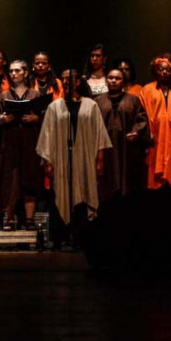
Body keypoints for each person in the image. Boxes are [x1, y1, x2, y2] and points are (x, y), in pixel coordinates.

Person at [37, 68, 112, 241]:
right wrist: (47, 161)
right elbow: (47, 134)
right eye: (62, 79)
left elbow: (99, 132)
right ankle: (60, 237)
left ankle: (82, 237)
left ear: (78, 82)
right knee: (61, 195)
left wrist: (100, 159)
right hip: (62, 159)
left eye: (69, 79)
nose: (65, 82)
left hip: (85, 157)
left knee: (84, 192)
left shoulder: (90, 105)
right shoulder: (55, 107)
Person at [0, 60, 45, 230]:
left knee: (30, 177)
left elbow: (44, 117)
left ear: (25, 73)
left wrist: (36, 118)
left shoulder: (35, 95)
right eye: (11, 71)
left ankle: (29, 219)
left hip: (30, 141)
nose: (13, 74)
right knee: (10, 179)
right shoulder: (4, 95)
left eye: (17, 71)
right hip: (10, 142)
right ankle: (10, 217)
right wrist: (3, 120)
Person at [94, 68, 150, 203]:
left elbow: (142, 120)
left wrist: (136, 132)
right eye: (110, 78)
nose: (113, 81)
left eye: (117, 78)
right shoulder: (97, 101)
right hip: (104, 150)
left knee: (127, 183)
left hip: (126, 149)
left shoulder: (133, 100)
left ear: (124, 82)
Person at [140, 53, 171, 189]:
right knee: (154, 183)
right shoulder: (147, 90)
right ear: (155, 70)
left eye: (167, 69)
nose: (164, 72)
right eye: (161, 69)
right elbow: (142, 115)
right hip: (154, 140)